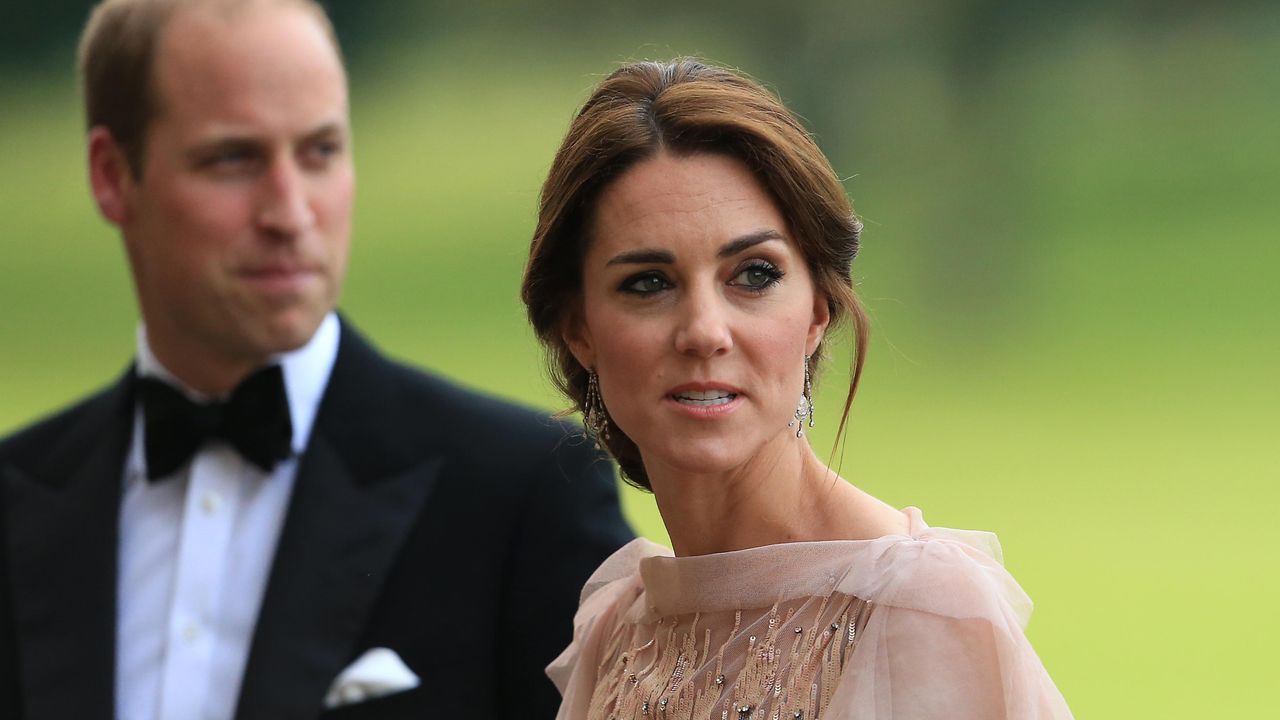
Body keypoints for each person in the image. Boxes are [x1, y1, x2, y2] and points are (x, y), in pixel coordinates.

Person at [0, 0, 632, 717]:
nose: (291, 212)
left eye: (320, 152)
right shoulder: (16, 501)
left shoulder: (525, 493)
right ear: (114, 176)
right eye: (233, 159)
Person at [521, 59, 1072, 719]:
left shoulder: (915, 611)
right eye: (648, 282)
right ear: (578, 328)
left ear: (818, 310)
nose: (704, 331)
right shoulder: (618, 629)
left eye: (753, 275)